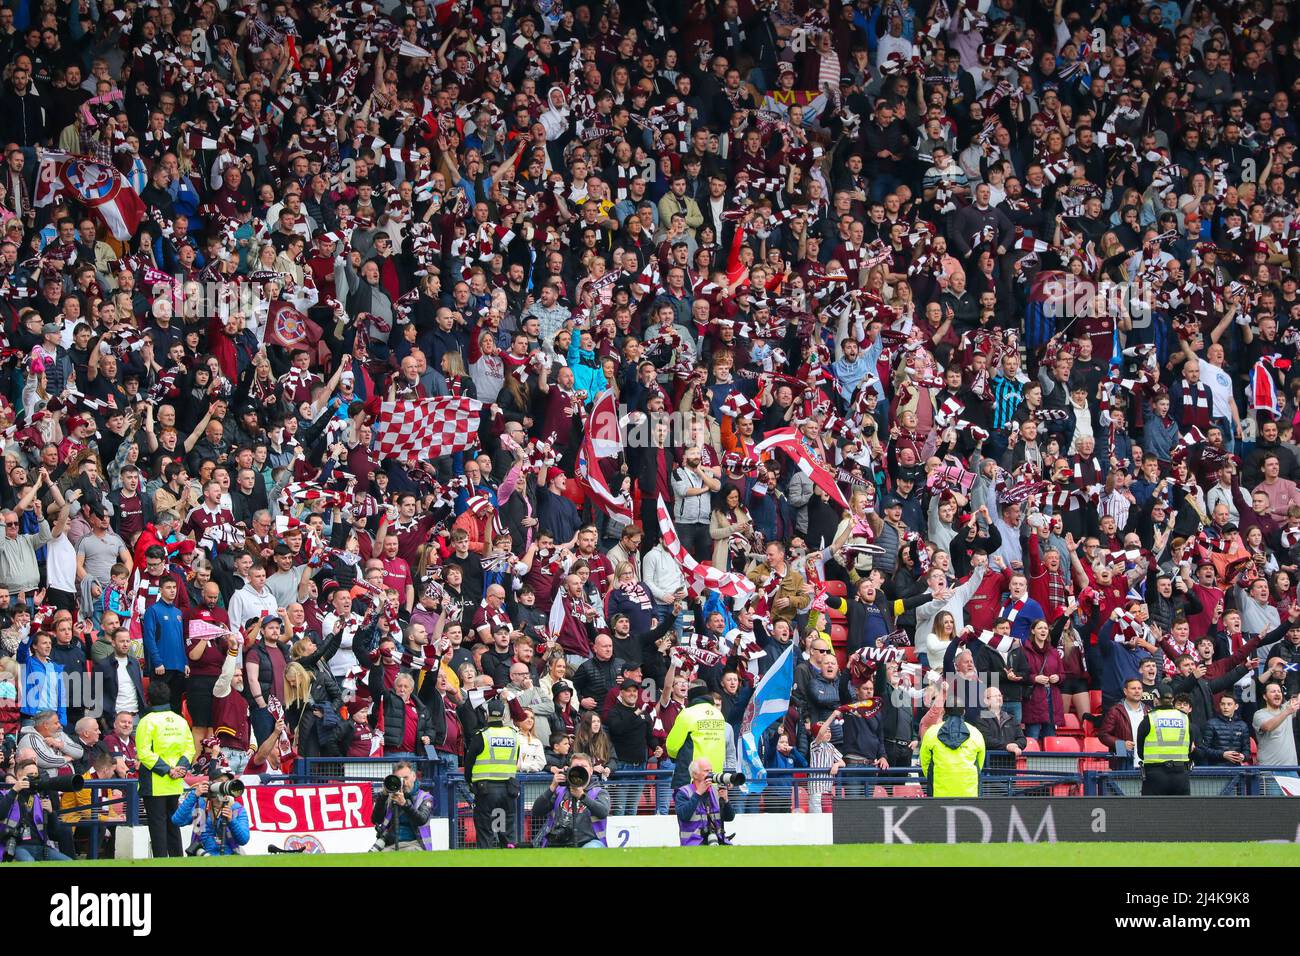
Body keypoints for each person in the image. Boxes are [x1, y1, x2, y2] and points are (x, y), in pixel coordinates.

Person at [134, 680, 195, 857]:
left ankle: (160, 860)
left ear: (148, 699)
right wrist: (180, 769)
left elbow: (144, 753)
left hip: (155, 782)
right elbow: (189, 749)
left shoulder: (146, 722)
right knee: (173, 824)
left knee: (157, 826)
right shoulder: (180, 720)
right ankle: (177, 859)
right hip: (175, 783)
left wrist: (168, 769)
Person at [463, 697, 519, 848]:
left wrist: (470, 782)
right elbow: (516, 758)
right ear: (503, 715)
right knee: (506, 832)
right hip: (508, 790)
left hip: (486, 791)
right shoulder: (513, 735)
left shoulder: (482, 735)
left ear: (487, 715)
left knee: (486, 831)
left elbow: (468, 764)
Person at [0, 758, 76, 861]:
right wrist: (14, 790)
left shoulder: (40, 797)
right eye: (30, 774)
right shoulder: (6, 794)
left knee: (69, 862)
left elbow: (55, 833)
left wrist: (51, 812)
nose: (34, 777)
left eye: (36, 774)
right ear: (19, 775)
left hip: (41, 846)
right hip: (16, 846)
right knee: (29, 862)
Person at [532, 753, 610, 848]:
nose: (580, 769)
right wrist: (552, 787)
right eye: (576, 767)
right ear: (569, 770)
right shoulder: (560, 791)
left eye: (584, 766)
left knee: (591, 848)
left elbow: (603, 812)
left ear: (591, 770)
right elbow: (536, 811)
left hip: (589, 842)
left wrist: (582, 796)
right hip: (559, 841)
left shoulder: (599, 792)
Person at [664, 682, 729, 791]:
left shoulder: (687, 713)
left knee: (689, 807)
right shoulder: (718, 714)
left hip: (693, 776)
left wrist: (676, 757)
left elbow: (672, 746)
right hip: (714, 776)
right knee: (712, 807)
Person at [918, 699, 985, 798]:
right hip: (970, 792)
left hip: (939, 792)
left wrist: (934, 776)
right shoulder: (975, 733)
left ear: (944, 711)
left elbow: (924, 762)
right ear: (964, 712)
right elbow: (980, 762)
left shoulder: (932, 732)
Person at [172, 774, 251, 856]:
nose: (224, 785)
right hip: (202, 855)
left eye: (227, 782)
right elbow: (177, 820)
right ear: (211, 784)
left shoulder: (236, 809)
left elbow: (243, 840)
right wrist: (194, 795)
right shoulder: (201, 805)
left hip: (229, 856)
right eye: (220, 781)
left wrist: (232, 821)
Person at [369, 761, 435, 852]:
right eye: (399, 779)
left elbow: (421, 820)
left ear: (414, 776)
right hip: (390, 844)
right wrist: (383, 795)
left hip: (415, 843)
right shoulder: (390, 797)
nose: (403, 782)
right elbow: (376, 820)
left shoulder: (425, 797)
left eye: (405, 778)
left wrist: (405, 804)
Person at [1135, 690, 1193, 796]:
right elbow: (1189, 748)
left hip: (1154, 775)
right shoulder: (1184, 718)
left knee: (1153, 811)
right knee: (1182, 811)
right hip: (1180, 774)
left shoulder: (1149, 718)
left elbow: (1140, 752)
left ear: (1156, 699)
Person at [674, 757, 736, 845]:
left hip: (718, 840)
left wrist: (726, 801)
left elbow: (730, 817)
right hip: (693, 843)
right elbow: (684, 816)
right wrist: (698, 793)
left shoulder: (716, 790)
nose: (710, 774)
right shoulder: (683, 792)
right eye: (706, 771)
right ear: (695, 775)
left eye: (711, 771)